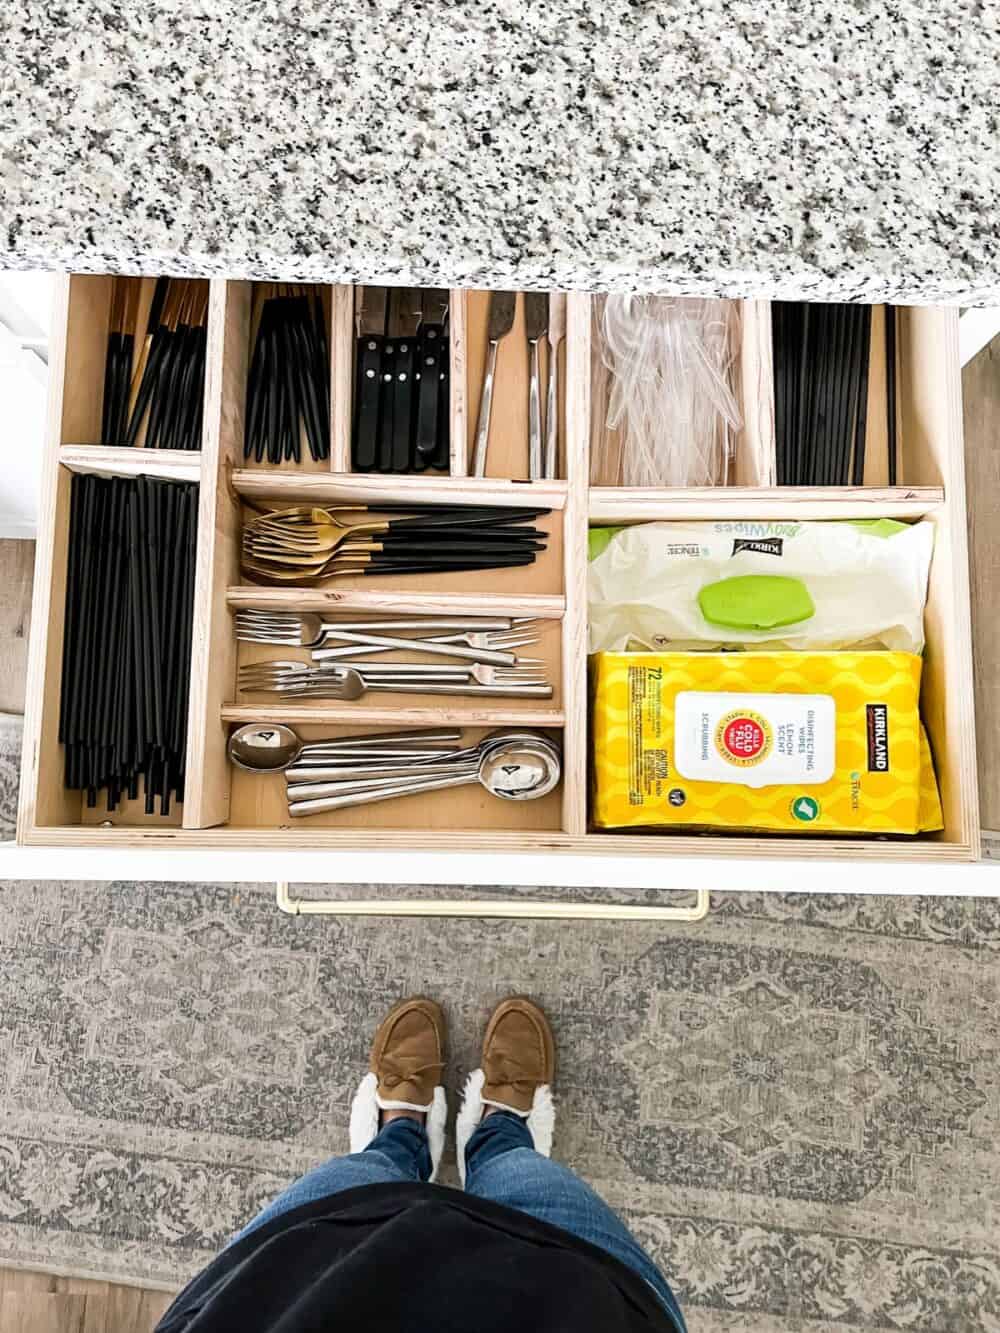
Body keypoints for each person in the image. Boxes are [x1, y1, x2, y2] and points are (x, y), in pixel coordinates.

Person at [156, 996, 687, 1332]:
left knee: (360, 1187)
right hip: (570, 1300)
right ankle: (502, 1133)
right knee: (527, 1183)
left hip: (296, 1289)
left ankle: (401, 1134)